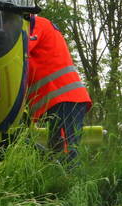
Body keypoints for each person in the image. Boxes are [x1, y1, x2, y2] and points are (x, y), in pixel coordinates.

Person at [26, 15, 92, 161]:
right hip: (61, 101)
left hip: (65, 99)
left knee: (67, 155)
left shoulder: (34, 24)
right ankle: (61, 181)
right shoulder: (36, 25)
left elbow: (21, 48)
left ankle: (70, 182)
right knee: (56, 153)